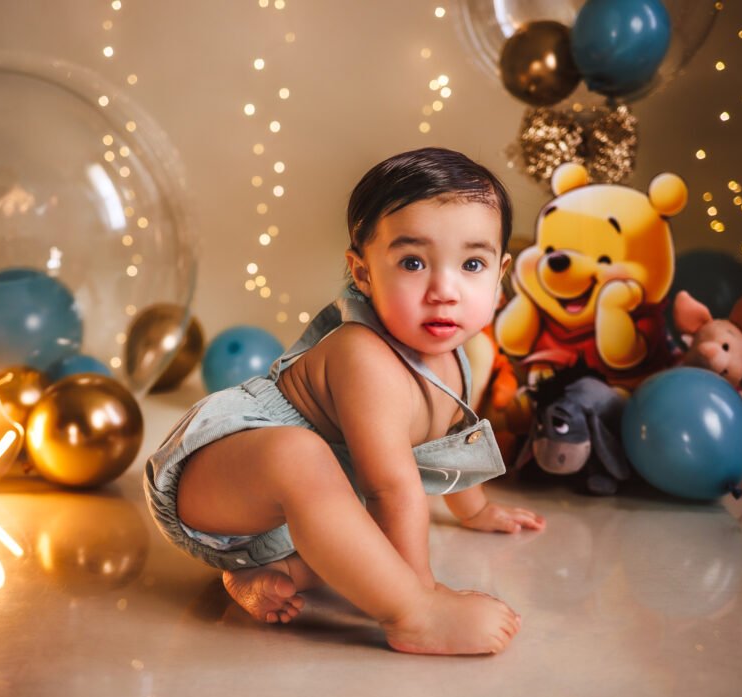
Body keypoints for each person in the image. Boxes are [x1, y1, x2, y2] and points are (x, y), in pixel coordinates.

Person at [145, 147, 545, 656]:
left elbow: (446, 447)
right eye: (413, 262)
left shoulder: (458, 353)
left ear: (501, 273)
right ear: (362, 273)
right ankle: (412, 617)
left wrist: (475, 510)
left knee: (361, 543)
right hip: (218, 481)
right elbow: (391, 488)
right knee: (303, 457)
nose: (444, 290)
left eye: (471, 263)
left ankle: (265, 573)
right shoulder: (363, 354)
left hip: (290, 519)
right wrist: (421, 593)